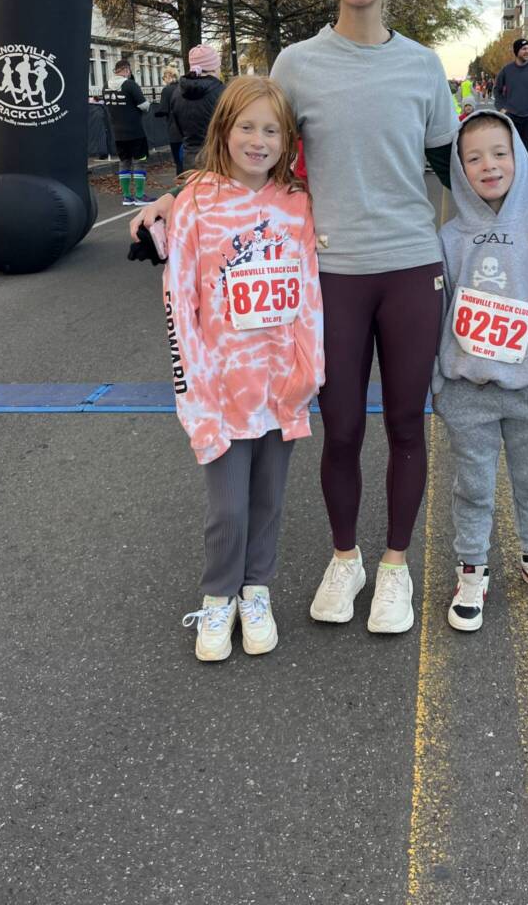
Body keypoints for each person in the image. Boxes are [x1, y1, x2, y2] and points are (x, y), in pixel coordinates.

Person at [130, 0, 528, 635]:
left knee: (406, 425)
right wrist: (177, 200)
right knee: (339, 429)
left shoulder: (421, 66)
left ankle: (395, 566)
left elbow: (460, 168)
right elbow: (251, 151)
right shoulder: (297, 66)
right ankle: (347, 559)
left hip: (410, 271)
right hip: (328, 275)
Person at [170, 76, 324, 661]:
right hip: (221, 389)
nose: (258, 141)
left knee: (269, 501)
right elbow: (179, 301)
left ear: (287, 141)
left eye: (272, 130)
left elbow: (309, 294)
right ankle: (218, 598)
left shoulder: (296, 204)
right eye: (247, 127)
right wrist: (195, 389)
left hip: (280, 383)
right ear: (223, 131)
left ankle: (256, 590)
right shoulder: (195, 205)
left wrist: (309, 373)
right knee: (228, 506)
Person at [433, 110, 528, 630]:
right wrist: (441, 383)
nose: (488, 166)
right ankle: (471, 570)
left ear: (518, 158)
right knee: (472, 487)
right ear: (459, 169)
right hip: (467, 393)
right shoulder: (449, 239)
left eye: (500, 153)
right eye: (473, 158)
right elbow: (438, 315)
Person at [103, 58, 155, 205]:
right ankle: (139, 195)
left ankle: (127, 196)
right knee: (140, 162)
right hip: (135, 131)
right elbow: (144, 105)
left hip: (117, 132)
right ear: (126, 70)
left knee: (124, 162)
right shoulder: (130, 85)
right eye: (129, 71)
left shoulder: (105, 86)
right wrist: (148, 105)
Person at [173, 44, 224, 172]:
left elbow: (177, 126)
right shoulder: (222, 92)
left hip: (189, 157)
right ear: (213, 68)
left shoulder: (177, 92)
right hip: (218, 156)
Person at [493, 38, 528, 157]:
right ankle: (513, 175)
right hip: (511, 117)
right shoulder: (507, 70)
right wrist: (501, 108)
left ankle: (526, 175)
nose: (527, 51)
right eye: (524, 49)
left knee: (527, 152)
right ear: (516, 51)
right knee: (512, 151)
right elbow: (497, 90)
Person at [154, 66, 183, 176]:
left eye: (164, 77)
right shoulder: (183, 87)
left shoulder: (167, 90)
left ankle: (181, 186)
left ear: (170, 76)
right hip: (188, 128)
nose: (164, 80)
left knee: (178, 161)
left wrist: (155, 113)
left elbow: (163, 109)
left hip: (174, 129)